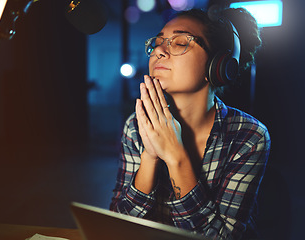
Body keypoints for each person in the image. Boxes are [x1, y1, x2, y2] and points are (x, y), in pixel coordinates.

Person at [109, 7, 271, 240]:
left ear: (217, 66)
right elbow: (116, 228)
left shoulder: (249, 136)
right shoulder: (136, 125)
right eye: (158, 42)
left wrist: (176, 156)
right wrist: (150, 157)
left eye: (180, 42)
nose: (159, 51)